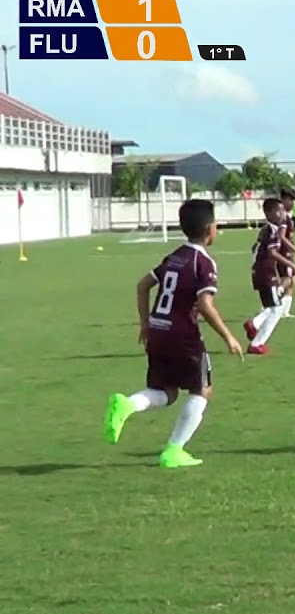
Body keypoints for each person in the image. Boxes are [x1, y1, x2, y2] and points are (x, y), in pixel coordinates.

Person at [101, 199, 243, 469]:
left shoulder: (174, 256)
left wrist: (146, 323)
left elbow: (143, 286)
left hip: (158, 330)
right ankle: (174, 450)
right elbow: (204, 305)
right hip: (183, 335)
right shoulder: (203, 262)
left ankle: (127, 405)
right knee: (202, 389)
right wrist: (228, 336)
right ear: (209, 229)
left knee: (167, 391)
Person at [244, 198, 295, 354]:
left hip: (261, 271)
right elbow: (272, 252)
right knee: (276, 309)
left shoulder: (266, 229)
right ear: (267, 213)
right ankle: (256, 343)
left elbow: (255, 247)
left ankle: (254, 325)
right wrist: (291, 264)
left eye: (283, 211)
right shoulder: (272, 229)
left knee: (272, 305)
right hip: (266, 272)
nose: (282, 214)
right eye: (278, 211)